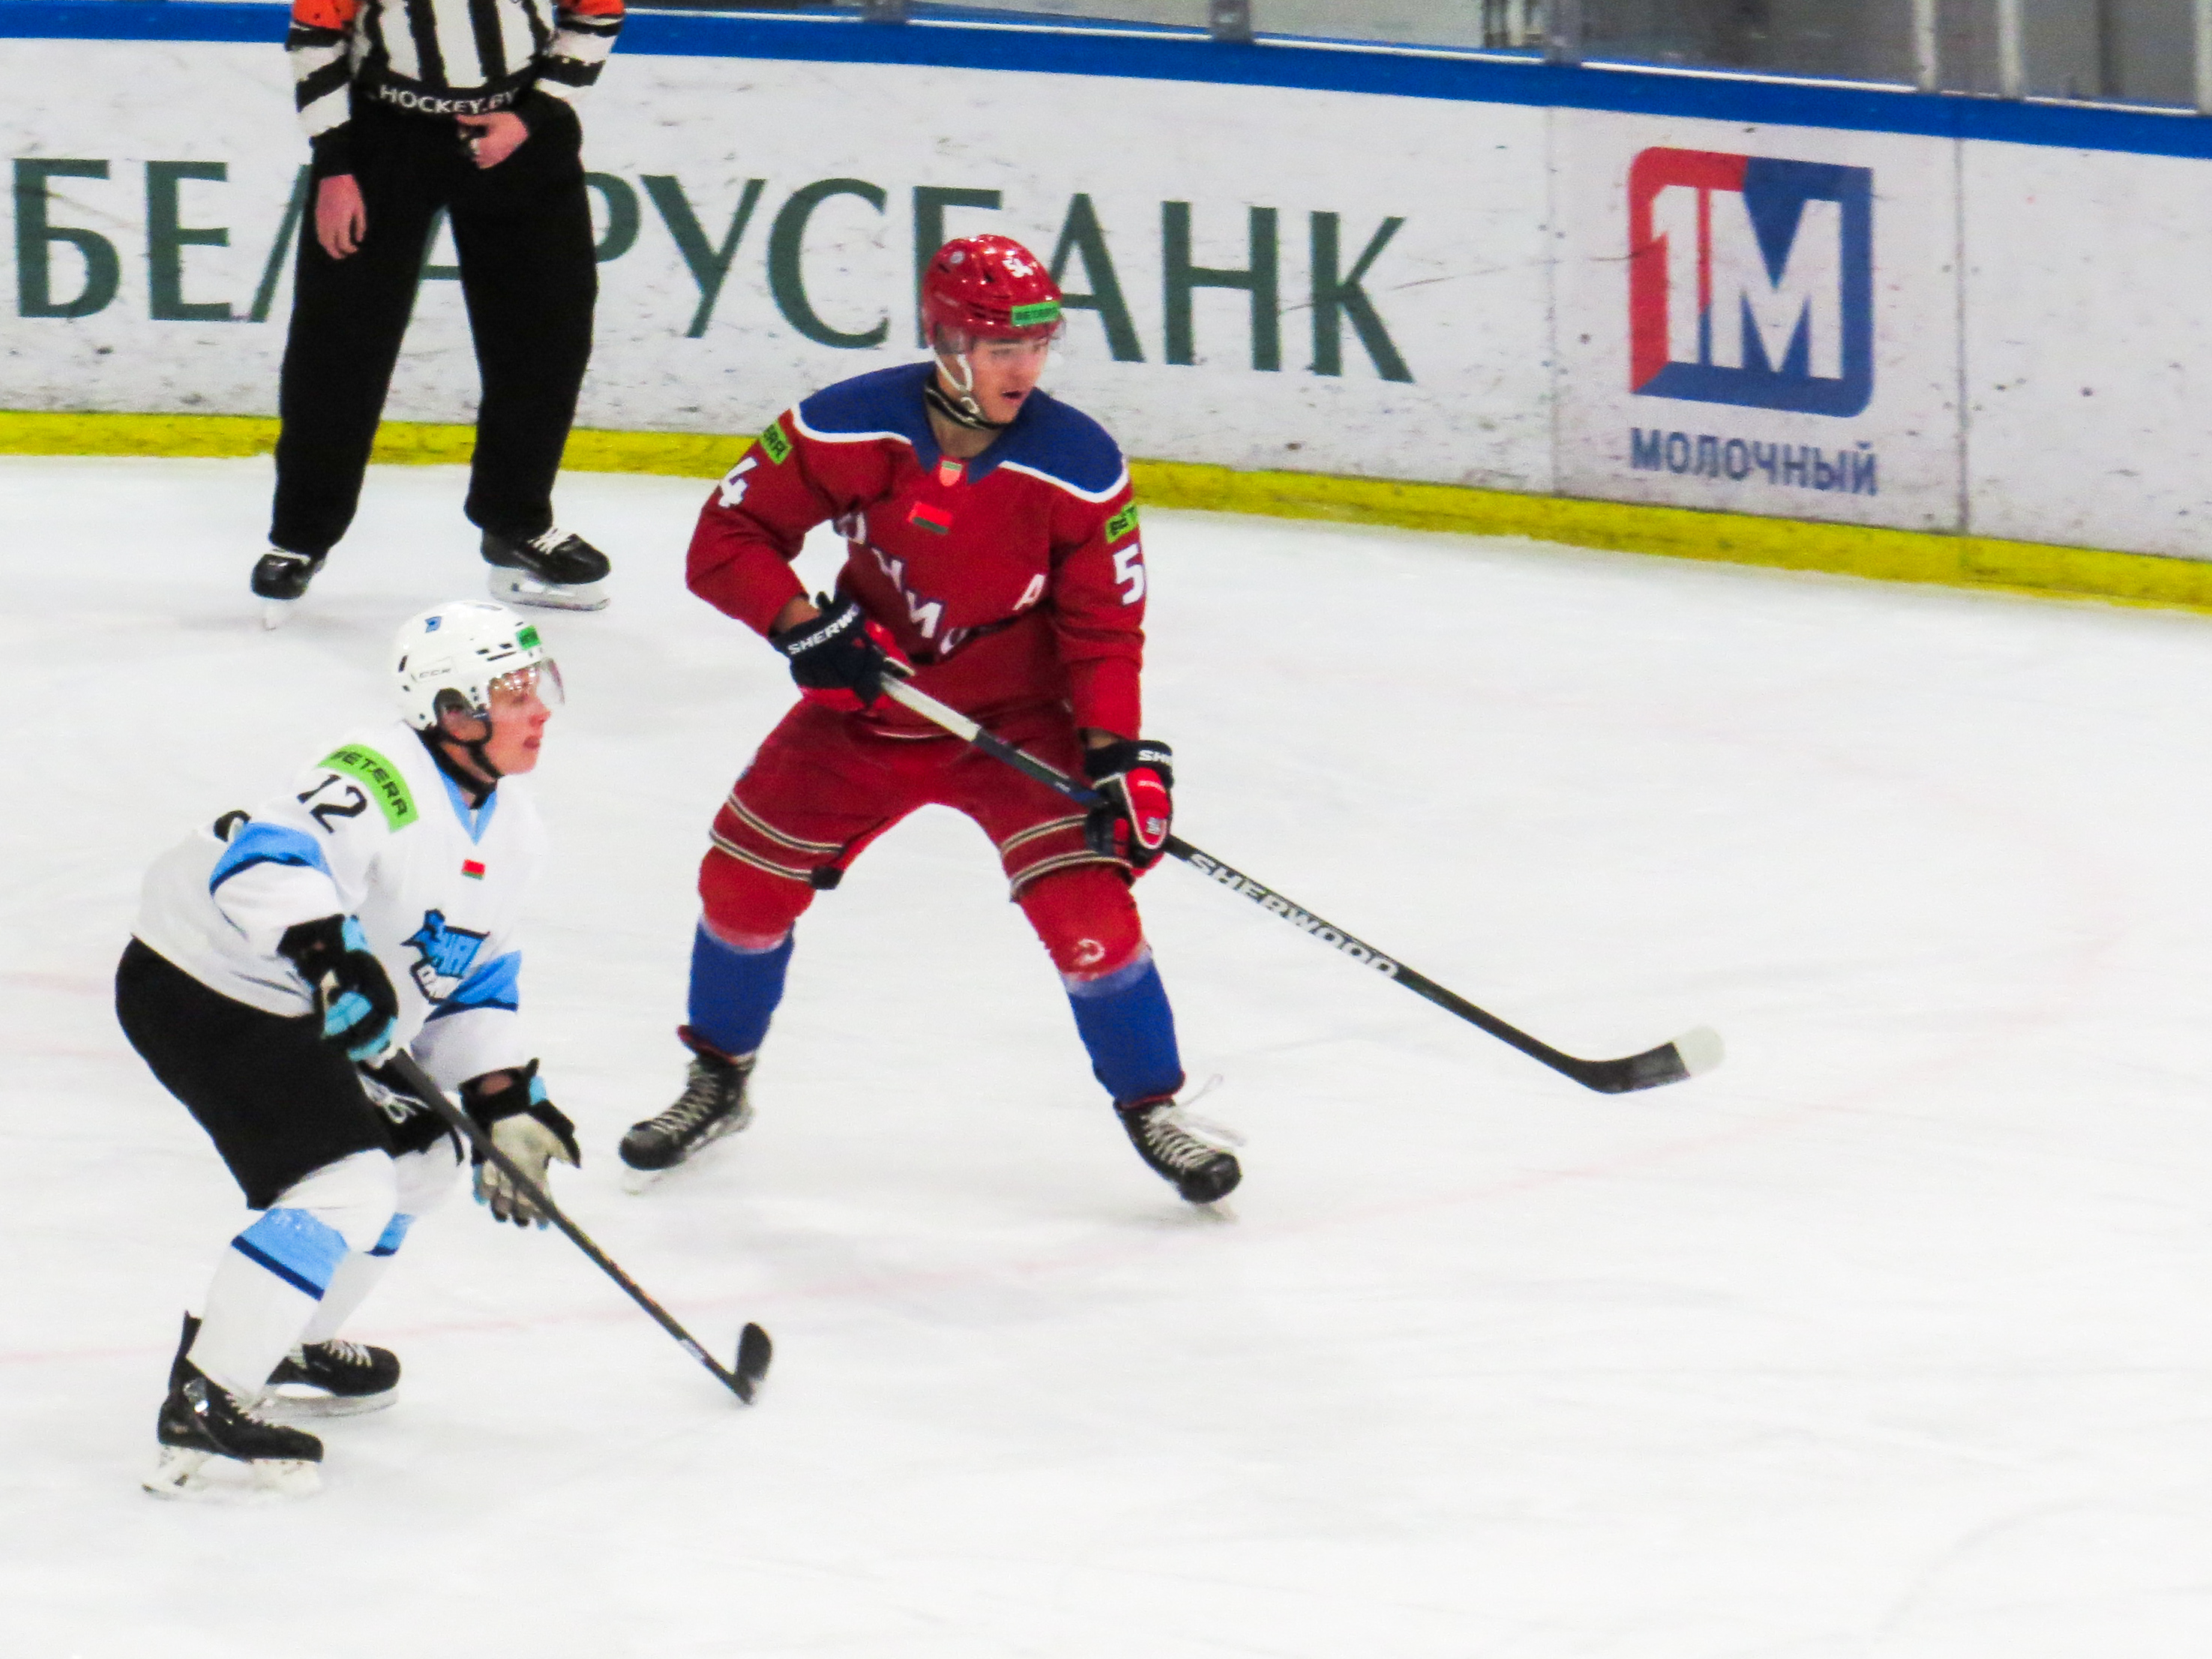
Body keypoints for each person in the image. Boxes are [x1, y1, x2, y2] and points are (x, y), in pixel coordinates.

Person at [617, 235, 1240, 1206]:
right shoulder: (844, 425)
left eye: (1037, 345)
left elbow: (1104, 627)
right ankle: (719, 1076)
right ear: (947, 344)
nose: (1024, 368)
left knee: (1089, 916)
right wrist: (801, 624)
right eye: (1002, 348)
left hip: (1020, 722)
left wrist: (1120, 757)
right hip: (869, 706)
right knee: (739, 884)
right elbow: (726, 537)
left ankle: (1152, 1105)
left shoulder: (1079, 464)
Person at [118, 602, 580, 1499]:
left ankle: (282, 1338)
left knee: (422, 1160)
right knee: (344, 1183)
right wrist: (332, 955)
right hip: (205, 980)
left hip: (309, 1002)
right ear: (454, 711)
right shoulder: (379, 771)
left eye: (539, 686)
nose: (540, 710)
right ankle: (207, 1396)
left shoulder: (515, 832)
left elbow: (469, 981)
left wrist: (501, 1098)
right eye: (515, 693)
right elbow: (265, 860)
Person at [252, 0, 626, 624]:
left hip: (520, 128)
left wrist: (532, 116)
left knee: (547, 336)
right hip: (383, 138)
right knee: (338, 343)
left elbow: (597, 14)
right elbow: (316, 35)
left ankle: (516, 519)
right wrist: (336, 163)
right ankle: (300, 535)